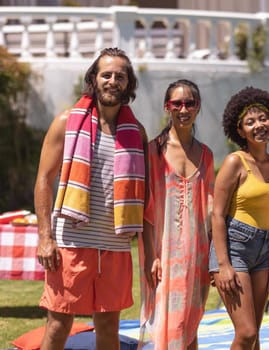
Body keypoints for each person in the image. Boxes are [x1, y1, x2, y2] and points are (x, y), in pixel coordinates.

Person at [34, 47, 147, 350]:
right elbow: (44, 179)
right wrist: (45, 237)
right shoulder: (66, 122)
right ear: (94, 79)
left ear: (128, 83)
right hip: (70, 243)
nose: (113, 81)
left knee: (109, 328)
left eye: (120, 76)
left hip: (115, 245)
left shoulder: (136, 132)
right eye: (106, 74)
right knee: (59, 325)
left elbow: (147, 193)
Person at [138, 79, 214, 349]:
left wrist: (215, 259)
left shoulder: (206, 155)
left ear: (198, 107)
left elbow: (211, 210)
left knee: (190, 324)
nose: (183, 109)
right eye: (177, 103)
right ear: (166, 107)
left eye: (189, 103)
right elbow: (145, 212)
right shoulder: (152, 152)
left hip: (197, 252)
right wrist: (151, 256)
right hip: (164, 254)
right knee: (170, 324)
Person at [209, 86, 269, 349]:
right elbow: (217, 214)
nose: (258, 125)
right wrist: (223, 264)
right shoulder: (234, 162)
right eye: (250, 122)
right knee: (247, 332)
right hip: (235, 246)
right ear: (240, 131)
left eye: (262, 119)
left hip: (264, 247)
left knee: (257, 332)